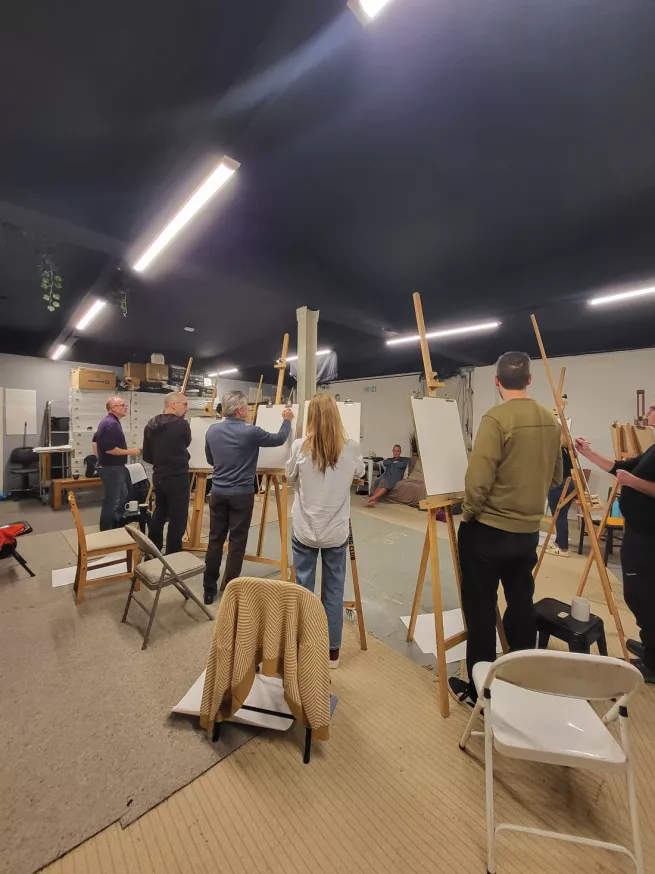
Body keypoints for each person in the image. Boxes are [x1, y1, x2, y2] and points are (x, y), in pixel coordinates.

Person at [449, 352, 562, 706]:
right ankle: (520, 679)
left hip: (488, 530)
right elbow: (557, 476)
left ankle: (480, 693)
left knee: (481, 611)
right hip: (527, 532)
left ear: (496, 382)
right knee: (520, 602)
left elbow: (479, 478)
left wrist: (468, 514)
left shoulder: (495, 419)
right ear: (529, 380)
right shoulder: (549, 420)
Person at [575, 401, 655, 682]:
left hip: (649, 535)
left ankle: (654, 663)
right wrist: (589, 453)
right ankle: (650, 646)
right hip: (638, 531)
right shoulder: (653, 447)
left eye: (653, 408)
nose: (648, 413)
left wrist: (632, 482)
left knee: (642, 594)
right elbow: (621, 467)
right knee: (639, 592)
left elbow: (631, 477)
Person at [286, 394, 365, 668]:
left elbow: (289, 477)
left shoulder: (299, 446)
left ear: (310, 418)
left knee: (303, 590)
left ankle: (302, 644)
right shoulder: (351, 448)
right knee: (333, 591)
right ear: (336, 417)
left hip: (305, 529)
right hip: (336, 532)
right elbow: (361, 473)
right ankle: (332, 652)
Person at [203, 391, 294, 604]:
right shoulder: (250, 432)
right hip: (241, 495)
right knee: (237, 542)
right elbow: (279, 439)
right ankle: (231, 589)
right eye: (247, 407)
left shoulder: (212, 430)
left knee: (215, 540)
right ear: (240, 410)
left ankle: (209, 590)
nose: (249, 411)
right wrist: (287, 420)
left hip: (217, 492)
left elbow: (210, 459)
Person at [142, 392, 191, 555]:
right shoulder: (181, 424)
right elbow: (187, 442)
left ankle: (153, 549)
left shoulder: (150, 424)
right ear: (174, 405)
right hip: (178, 476)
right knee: (178, 517)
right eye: (185, 404)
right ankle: (173, 554)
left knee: (160, 512)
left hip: (159, 476)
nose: (187, 408)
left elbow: (147, 455)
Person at [95, 396, 141, 531]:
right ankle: (107, 531)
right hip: (112, 468)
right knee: (112, 500)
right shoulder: (112, 424)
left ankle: (116, 525)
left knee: (123, 495)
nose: (126, 407)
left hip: (114, 467)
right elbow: (110, 450)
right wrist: (131, 451)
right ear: (113, 408)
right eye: (122, 405)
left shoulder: (112, 422)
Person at [545, 431, 575, 557]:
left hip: (560, 484)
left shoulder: (557, 451)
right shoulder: (568, 450)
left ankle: (563, 548)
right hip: (570, 483)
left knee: (559, 515)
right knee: (562, 515)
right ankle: (559, 542)